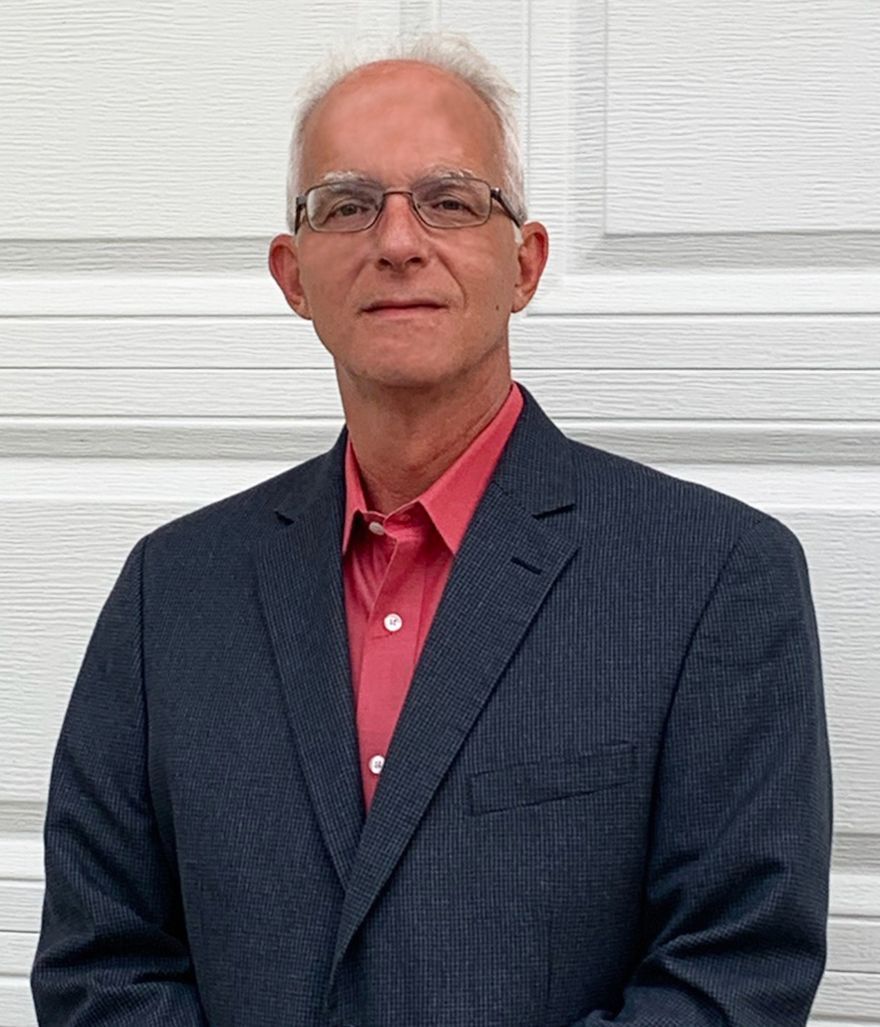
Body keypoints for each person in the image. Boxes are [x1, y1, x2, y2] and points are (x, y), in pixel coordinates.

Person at [31, 32, 832, 1027]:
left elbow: (733, 974)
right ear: (292, 275)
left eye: (450, 200)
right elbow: (100, 961)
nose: (397, 240)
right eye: (347, 205)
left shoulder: (711, 579)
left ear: (525, 263)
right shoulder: (172, 592)